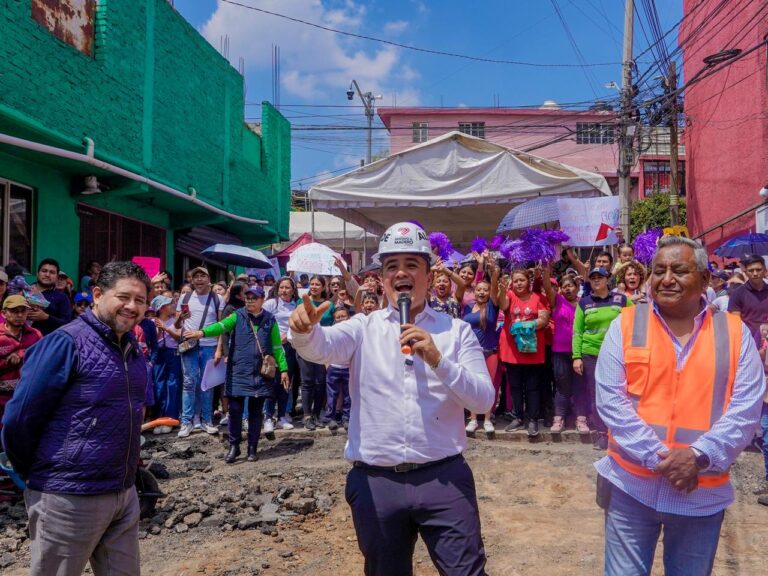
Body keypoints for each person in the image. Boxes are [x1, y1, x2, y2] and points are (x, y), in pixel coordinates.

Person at [289, 221, 494, 576]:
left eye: (412, 264)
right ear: (381, 279)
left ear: (429, 276)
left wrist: (438, 361)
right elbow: (320, 347)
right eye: (391, 266)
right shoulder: (362, 328)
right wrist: (302, 331)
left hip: (443, 480)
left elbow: (483, 401)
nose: (401, 273)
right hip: (376, 483)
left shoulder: (455, 331)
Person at [594, 236, 764, 576]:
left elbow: (746, 408)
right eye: (659, 270)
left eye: (679, 270)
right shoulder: (625, 324)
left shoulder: (734, 333)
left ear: (704, 279)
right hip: (632, 488)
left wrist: (698, 456)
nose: (666, 278)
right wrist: (663, 461)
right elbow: (611, 400)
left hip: (699, 494)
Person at [2, 261, 151, 576]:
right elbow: (19, 419)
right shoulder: (65, 342)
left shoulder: (132, 348)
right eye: (123, 296)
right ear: (97, 294)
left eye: (140, 300)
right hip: (67, 497)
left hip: (123, 494)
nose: (132, 306)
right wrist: (40, 476)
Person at [185, 286, 288, 463]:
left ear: (262, 300)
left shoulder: (270, 320)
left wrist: (284, 369)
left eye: (254, 298)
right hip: (238, 370)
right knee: (235, 410)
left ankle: (252, 448)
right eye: (247, 298)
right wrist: (202, 333)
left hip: (261, 373)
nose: (249, 301)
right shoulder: (237, 316)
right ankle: (234, 446)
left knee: (256, 412)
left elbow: (277, 347)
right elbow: (221, 326)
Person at [573, 267, 632, 450]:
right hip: (591, 354)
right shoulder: (584, 303)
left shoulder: (622, 300)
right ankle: (602, 434)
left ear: (608, 280)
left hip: (617, 354)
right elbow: (577, 332)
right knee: (596, 394)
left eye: (600, 277)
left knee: (620, 394)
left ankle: (619, 433)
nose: (597, 280)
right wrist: (576, 357)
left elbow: (635, 322)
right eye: (593, 278)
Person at [498, 268, 551, 437]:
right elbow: (502, 304)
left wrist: (529, 325)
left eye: (522, 280)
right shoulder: (510, 296)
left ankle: (533, 420)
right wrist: (500, 289)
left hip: (532, 350)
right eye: (516, 281)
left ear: (528, 281)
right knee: (514, 386)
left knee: (532, 387)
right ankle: (518, 416)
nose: (519, 283)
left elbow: (544, 318)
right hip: (512, 350)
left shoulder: (539, 298)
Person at [175, 266, 224, 438]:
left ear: (209, 279)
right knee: (189, 382)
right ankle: (186, 422)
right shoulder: (185, 297)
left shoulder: (217, 299)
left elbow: (221, 326)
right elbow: (176, 326)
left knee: (207, 384)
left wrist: (219, 349)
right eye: (195, 276)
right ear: (191, 280)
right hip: (189, 345)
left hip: (209, 345)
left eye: (202, 275)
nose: (199, 279)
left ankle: (207, 420)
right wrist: (179, 318)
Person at [541, 267, 588, 434]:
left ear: (577, 287)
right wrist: (546, 269)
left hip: (580, 352)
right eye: (564, 286)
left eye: (571, 285)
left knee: (579, 386)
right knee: (562, 387)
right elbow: (547, 286)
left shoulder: (584, 302)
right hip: (560, 352)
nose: (567, 288)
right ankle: (558, 419)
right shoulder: (557, 301)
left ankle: (580, 419)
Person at [464, 265, 502, 434]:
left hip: (490, 351)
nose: (481, 293)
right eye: (478, 289)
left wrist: (494, 273)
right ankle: (473, 418)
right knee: (472, 385)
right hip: (472, 353)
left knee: (490, 384)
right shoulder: (467, 308)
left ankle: (487, 418)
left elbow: (494, 288)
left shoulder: (493, 306)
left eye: (485, 290)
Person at [297, 275, 334, 430]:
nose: (314, 287)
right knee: (307, 382)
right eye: (312, 284)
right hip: (305, 345)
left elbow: (333, 325)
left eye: (317, 284)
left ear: (323, 287)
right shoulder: (301, 302)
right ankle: (306, 416)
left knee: (320, 382)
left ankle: (317, 414)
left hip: (322, 346)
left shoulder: (329, 305)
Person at [263, 277, 299, 430]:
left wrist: (288, 336)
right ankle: (268, 416)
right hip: (273, 347)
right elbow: (263, 323)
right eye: (281, 287)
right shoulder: (271, 303)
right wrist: (276, 339)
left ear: (293, 290)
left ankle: (282, 416)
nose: (284, 290)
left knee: (286, 382)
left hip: (290, 347)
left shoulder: (296, 305)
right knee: (271, 381)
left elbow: (299, 324)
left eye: (287, 287)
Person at [151, 294, 183, 429]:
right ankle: (159, 418)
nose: (172, 306)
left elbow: (179, 338)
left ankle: (171, 418)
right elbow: (152, 341)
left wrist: (166, 329)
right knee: (159, 385)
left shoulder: (175, 321)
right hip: (158, 355)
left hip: (173, 354)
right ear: (161, 308)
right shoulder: (152, 322)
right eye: (169, 304)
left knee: (173, 385)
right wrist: (158, 330)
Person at [727, 254, 768, 348]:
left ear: (765, 271)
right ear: (745, 272)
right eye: (751, 270)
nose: (755, 273)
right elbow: (735, 323)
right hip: (749, 344)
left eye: (758, 270)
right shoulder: (737, 293)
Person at [27, 258, 73, 335]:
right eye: (44, 271)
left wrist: (46, 317)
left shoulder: (62, 298)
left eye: (52, 272)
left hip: (48, 343)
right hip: (21, 343)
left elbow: (67, 324)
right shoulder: (25, 291)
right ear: (38, 273)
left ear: (57, 277)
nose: (47, 275)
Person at [324, 306, 352, 430]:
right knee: (332, 394)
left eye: (343, 316)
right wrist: (327, 364)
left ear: (349, 317)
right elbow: (326, 348)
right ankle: (331, 418)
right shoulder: (331, 331)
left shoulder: (353, 331)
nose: (341, 319)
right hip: (334, 367)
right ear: (334, 319)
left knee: (348, 395)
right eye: (338, 317)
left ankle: (346, 418)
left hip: (348, 368)